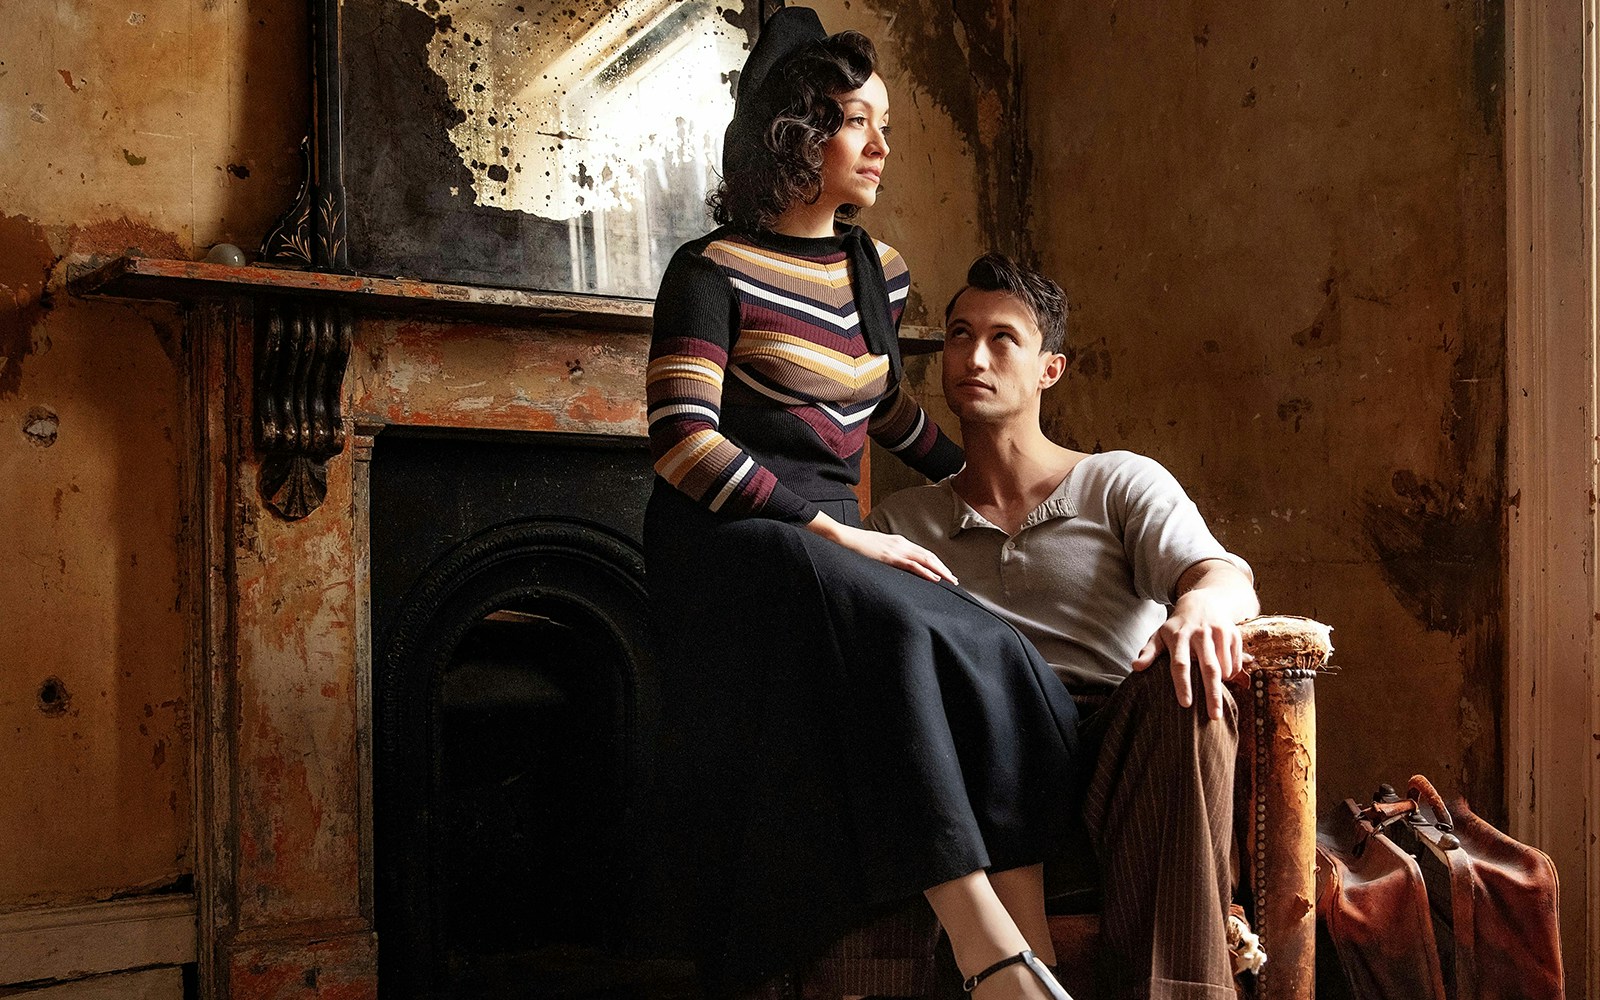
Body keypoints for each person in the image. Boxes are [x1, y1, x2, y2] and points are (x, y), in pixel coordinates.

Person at [643, 10, 1079, 1000]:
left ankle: (1036, 939)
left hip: (833, 546)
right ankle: (987, 954)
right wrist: (835, 529)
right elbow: (681, 440)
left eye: (885, 122)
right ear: (798, 134)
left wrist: (1008, 471)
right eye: (857, 122)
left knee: (995, 645)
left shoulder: (874, 270)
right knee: (886, 620)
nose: (882, 146)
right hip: (734, 544)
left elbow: (885, 413)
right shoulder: (708, 271)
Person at [867, 253, 1261, 1000]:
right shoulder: (901, 523)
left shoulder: (1118, 481)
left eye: (1003, 338)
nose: (974, 356)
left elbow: (1219, 575)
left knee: (1194, 695)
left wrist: (1202, 604)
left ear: (1051, 368)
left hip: (1113, 746)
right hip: (976, 753)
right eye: (957, 334)